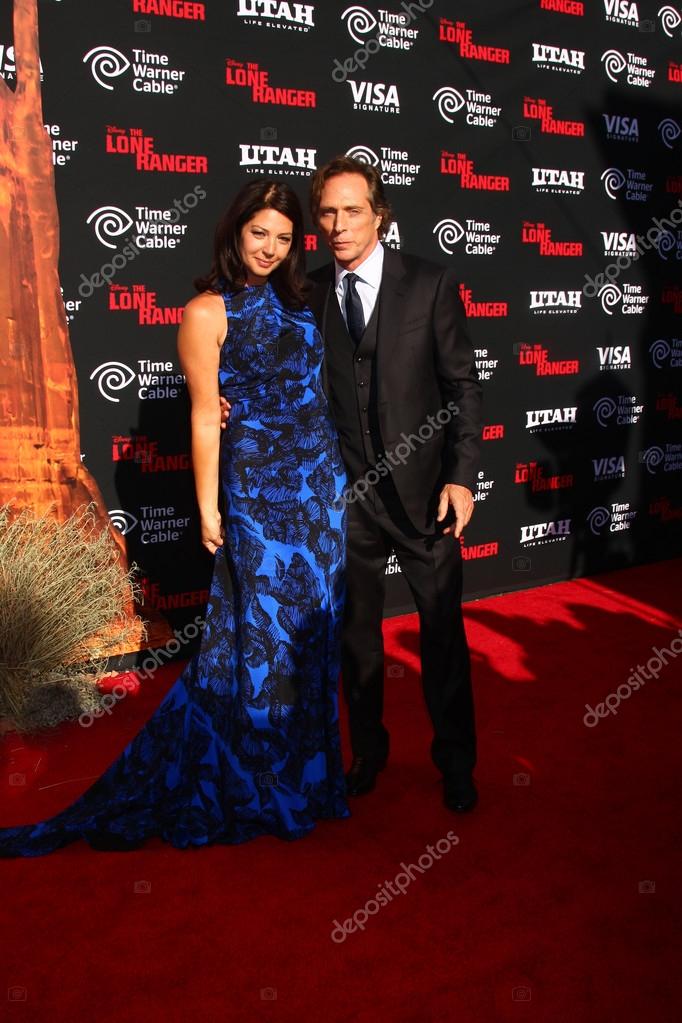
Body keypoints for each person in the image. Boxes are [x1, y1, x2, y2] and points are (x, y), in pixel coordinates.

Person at [0, 180, 350, 856]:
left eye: (283, 238)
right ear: (234, 232)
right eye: (259, 233)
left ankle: (310, 779)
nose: (270, 249)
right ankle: (261, 783)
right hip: (257, 492)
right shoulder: (206, 312)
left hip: (320, 490)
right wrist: (209, 506)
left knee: (312, 636)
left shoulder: (305, 302)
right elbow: (204, 414)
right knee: (263, 638)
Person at [223, 157, 482, 813]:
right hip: (346, 501)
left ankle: (456, 763)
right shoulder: (305, 293)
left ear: (379, 214)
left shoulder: (429, 283)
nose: (338, 225)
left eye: (352, 211)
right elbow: (265, 365)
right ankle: (368, 752)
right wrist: (226, 400)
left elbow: (462, 387)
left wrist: (461, 477)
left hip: (425, 497)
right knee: (357, 638)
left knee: (442, 636)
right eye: (328, 213)